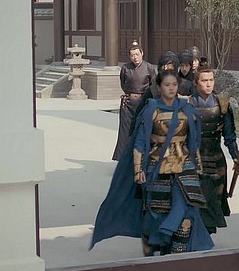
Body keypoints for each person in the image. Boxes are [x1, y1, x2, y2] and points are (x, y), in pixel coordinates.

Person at [91, 69, 214, 255]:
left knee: (187, 208)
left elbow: (194, 140)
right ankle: (159, 245)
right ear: (159, 87)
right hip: (157, 163)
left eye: (174, 84)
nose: (171, 88)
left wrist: (198, 165)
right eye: (167, 85)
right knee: (157, 212)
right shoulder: (151, 110)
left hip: (184, 163)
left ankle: (177, 254)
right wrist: (138, 169)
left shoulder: (187, 109)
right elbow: (140, 142)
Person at [188, 64, 239, 233]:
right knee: (195, 200)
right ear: (196, 82)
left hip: (216, 159)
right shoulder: (188, 104)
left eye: (211, 80)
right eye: (204, 80)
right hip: (193, 159)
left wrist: (235, 156)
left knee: (214, 200)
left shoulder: (222, 104)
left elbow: (229, 135)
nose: (208, 84)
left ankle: (206, 234)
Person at [113, 41, 155, 161]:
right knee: (125, 131)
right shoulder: (125, 68)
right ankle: (123, 159)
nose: (135, 57)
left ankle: (142, 157)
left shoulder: (149, 67)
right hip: (128, 103)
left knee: (142, 129)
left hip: (143, 102)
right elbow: (123, 83)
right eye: (132, 55)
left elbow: (153, 85)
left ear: (142, 54)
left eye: (137, 54)